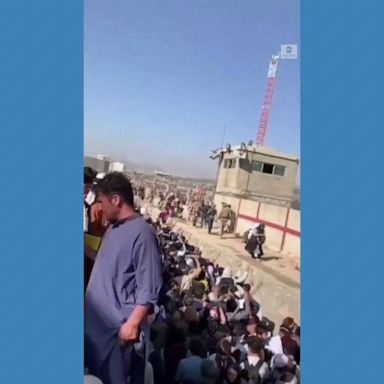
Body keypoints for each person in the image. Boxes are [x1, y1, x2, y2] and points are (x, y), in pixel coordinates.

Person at [84, 172, 163, 384]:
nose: (100, 207)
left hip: (117, 333)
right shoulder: (113, 229)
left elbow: (149, 288)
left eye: (102, 202)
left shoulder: (143, 234)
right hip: (97, 328)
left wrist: (132, 325)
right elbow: (107, 263)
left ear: (116, 199)